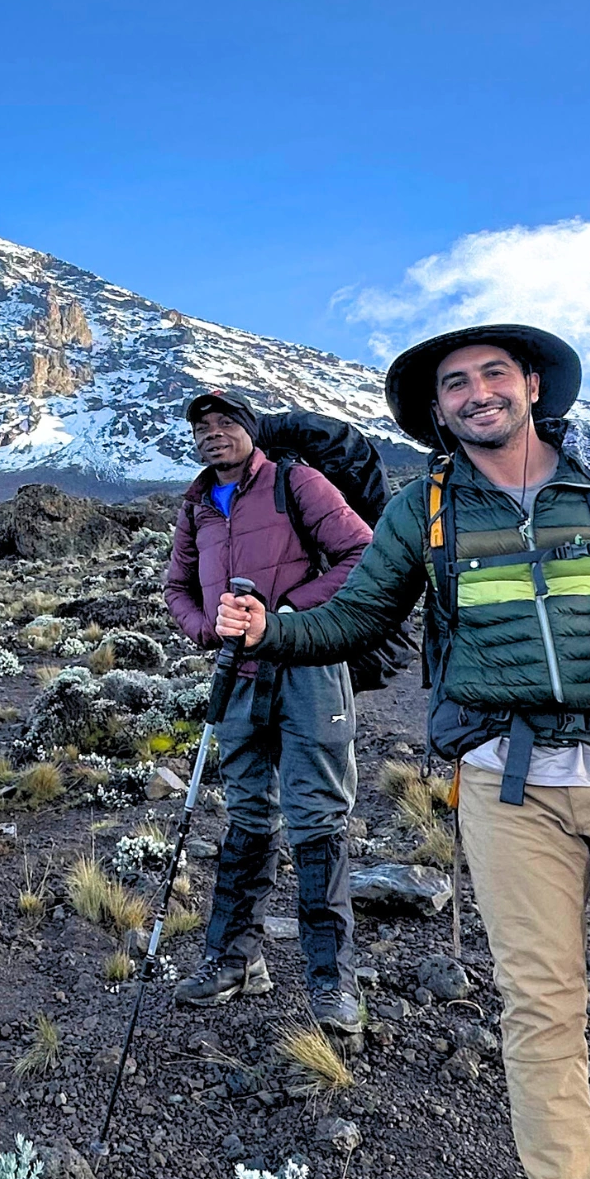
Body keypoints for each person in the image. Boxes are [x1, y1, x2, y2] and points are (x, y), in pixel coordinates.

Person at [213, 325, 590, 1179]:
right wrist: (271, 631)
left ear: (533, 385)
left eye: (493, 373)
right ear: (437, 410)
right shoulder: (425, 507)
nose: (477, 393)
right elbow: (359, 617)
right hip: (508, 788)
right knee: (541, 1014)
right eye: (456, 384)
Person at [159, 388, 377, 1033]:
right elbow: (176, 587)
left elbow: (362, 553)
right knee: (248, 813)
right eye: (202, 425)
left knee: (317, 818)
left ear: (252, 429)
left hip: (308, 666)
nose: (213, 432)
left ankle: (332, 983)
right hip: (237, 675)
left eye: (226, 421)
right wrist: (209, 629)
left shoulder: (294, 482)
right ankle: (235, 961)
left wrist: (284, 613)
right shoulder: (198, 505)